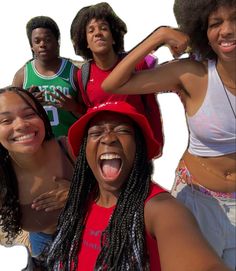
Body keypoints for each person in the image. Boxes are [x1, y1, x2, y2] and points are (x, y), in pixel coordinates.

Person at [102, 0, 236, 268]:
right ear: (202, 28)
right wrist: (160, 36)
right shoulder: (192, 73)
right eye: (216, 22)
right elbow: (113, 84)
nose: (226, 30)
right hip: (198, 203)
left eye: (235, 19)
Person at [46, 101, 230, 271]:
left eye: (123, 130)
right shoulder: (78, 204)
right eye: (96, 132)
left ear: (139, 148)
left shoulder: (161, 210)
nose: (108, 138)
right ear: (85, 151)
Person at [70, 2, 175, 157]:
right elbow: (90, 111)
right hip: (105, 148)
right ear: (86, 42)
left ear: (113, 37)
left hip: (135, 146)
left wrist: (156, 143)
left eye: (104, 28)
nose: (98, 33)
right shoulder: (83, 74)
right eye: (91, 31)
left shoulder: (137, 65)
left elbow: (151, 106)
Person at [0, 86, 74, 261]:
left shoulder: (71, 148)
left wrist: (79, 192)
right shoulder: (2, 176)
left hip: (90, 236)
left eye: (29, 114)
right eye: (6, 121)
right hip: (41, 244)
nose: (21, 125)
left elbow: (121, 191)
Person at [12, 16, 83, 137]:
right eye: (37, 41)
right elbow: (12, 116)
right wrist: (29, 104)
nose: (42, 44)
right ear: (31, 46)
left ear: (57, 42)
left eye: (47, 39)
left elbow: (88, 113)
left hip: (69, 145)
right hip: (37, 145)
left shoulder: (74, 72)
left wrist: (73, 107)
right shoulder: (22, 75)